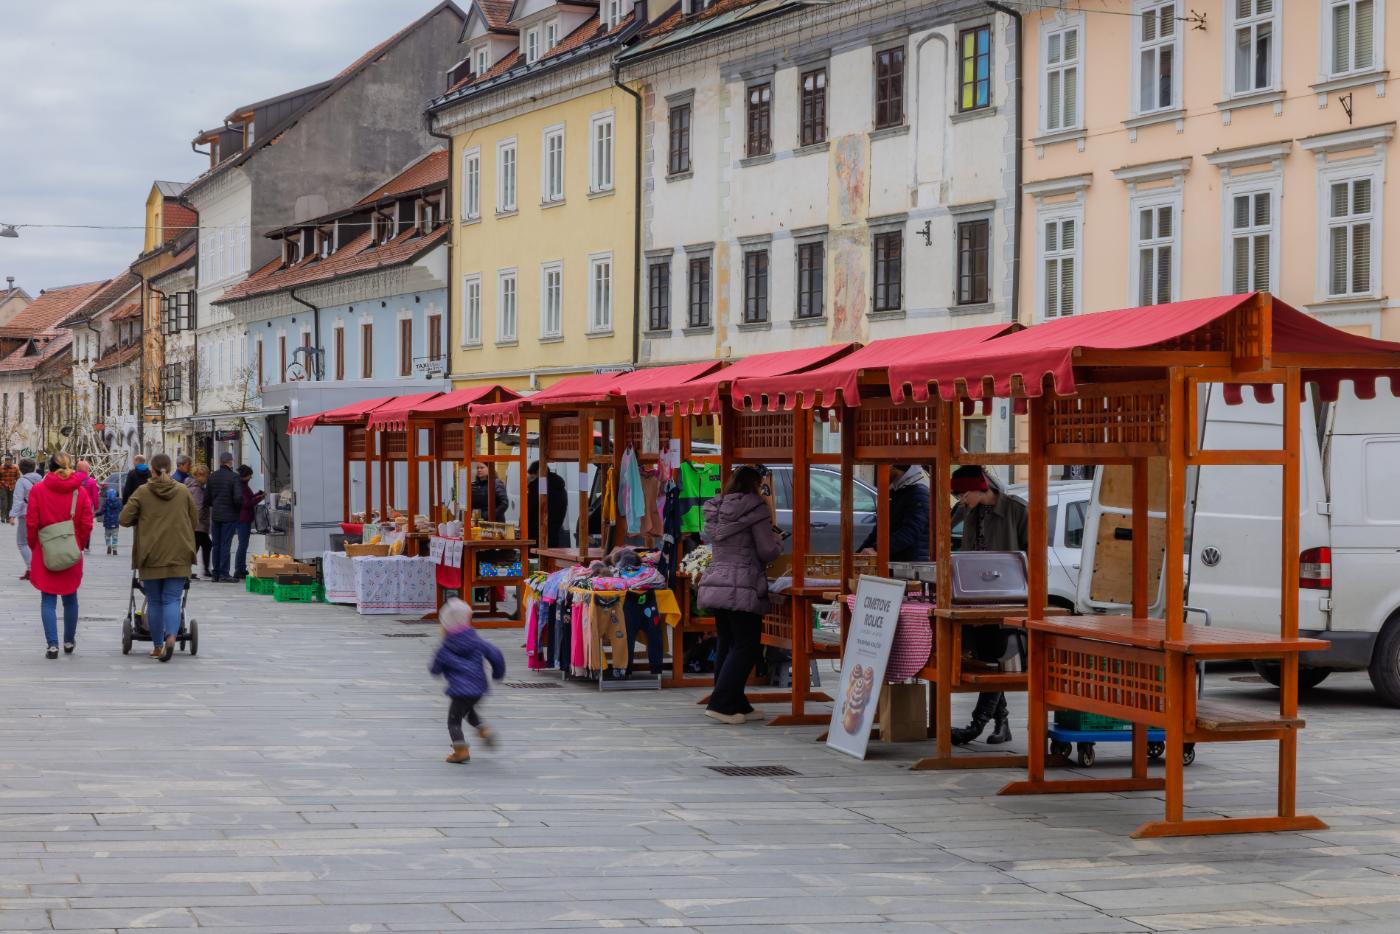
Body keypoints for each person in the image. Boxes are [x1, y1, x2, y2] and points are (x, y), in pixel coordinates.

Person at [949, 465, 1030, 746]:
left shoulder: (1017, 511)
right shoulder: (967, 512)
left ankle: (977, 725)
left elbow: (1033, 555)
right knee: (988, 661)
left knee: (997, 659)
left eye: (963, 494)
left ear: (979, 487)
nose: (961, 500)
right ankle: (1001, 722)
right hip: (976, 598)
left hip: (1008, 599)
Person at [696, 466, 783, 725]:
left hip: (717, 581)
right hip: (742, 584)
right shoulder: (755, 508)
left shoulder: (715, 508)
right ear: (756, 485)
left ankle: (736, 703)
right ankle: (721, 702)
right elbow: (767, 551)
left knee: (727, 642)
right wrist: (779, 542)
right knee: (747, 645)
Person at [120, 453, 198, 662]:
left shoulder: (143, 492)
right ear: (170, 468)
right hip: (179, 553)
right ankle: (171, 636)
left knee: (154, 600)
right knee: (173, 598)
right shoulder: (182, 491)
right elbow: (194, 518)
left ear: (151, 470)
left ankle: (157, 646)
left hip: (151, 553)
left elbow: (124, 518)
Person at [26, 453, 94, 659]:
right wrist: (78, 545)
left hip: (45, 549)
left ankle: (52, 645)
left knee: (47, 598)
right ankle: (69, 641)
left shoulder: (38, 490)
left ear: (49, 467)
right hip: (71, 549)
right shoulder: (79, 492)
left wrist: (34, 545)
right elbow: (87, 523)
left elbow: (31, 522)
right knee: (70, 597)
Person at [429, 598, 505, 764]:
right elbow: (495, 654)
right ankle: (484, 731)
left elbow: (435, 669)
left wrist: (437, 669)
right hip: (478, 688)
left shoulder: (445, 647)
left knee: (453, 721)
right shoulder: (478, 642)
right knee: (469, 712)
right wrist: (498, 673)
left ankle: (461, 751)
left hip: (459, 690)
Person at [858, 464, 931, 562]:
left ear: (892, 466)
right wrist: (859, 553)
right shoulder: (895, 490)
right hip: (896, 561)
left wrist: (877, 549)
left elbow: (910, 531)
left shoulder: (918, 492)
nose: (880, 473)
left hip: (909, 564)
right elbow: (880, 530)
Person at [206, 452, 242, 583]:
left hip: (216, 516)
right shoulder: (234, 477)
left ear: (220, 462)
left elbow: (207, 498)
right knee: (225, 544)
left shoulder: (212, 477)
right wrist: (237, 509)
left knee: (216, 544)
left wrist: (215, 505)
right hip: (230, 516)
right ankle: (224, 573)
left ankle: (215, 573)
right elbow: (238, 498)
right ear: (230, 462)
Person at [10, 458, 42, 580]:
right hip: (39, 514)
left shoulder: (21, 482)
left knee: (22, 542)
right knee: (36, 542)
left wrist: (12, 515)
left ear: (21, 469)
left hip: (25, 514)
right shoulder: (41, 480)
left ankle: (31, 568)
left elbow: (18, 500)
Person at [526, 460, 569, 549]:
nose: (531, 477)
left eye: (532, 475)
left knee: (537, 561)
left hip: (537, 535)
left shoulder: (538, 486)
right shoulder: (559, 487)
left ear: (538, 472)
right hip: (555, 533)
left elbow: (530, 509)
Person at [234, 465, 263, 579]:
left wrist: (257, 494)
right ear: (245, 476)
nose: (251, 477)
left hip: (244, 518)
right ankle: (238, 569)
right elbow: (246, 503)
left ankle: (241, 568)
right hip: (243, 519)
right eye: (250, 475)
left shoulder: (244, 485)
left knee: (244, 545)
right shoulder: (241, 487)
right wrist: (259, 498)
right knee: (242, 545)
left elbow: (249, 498)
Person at [186, 465, 212, 579]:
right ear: (199, 476)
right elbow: (198, 508)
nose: (207, 478)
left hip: (197, 524)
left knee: (205, 545)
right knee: (196, 547)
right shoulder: (197, 489)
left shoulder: (193, 486)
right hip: (198, 524)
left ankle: (204, 569)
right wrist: (198, 521)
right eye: (206, 476)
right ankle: (187, 570)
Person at [100, 486, 122, 555]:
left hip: (107, 522)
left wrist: (96, 514)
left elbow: (102, 511)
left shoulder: (106, 502)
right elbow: (121, 509)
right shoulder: (118, 502)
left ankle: (109, 546)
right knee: (115, 536)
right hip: (115, 522)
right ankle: (114, 549)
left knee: (107, 536)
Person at [0, 455, 19, 523]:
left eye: (9, 460)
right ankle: (3, 517)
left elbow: (18, 478)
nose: (8, 461)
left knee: (10, 503)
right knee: (4, 502)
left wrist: (17, 487)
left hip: (12, 487)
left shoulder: (15, 468)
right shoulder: (1, 468)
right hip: (3, 487)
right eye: (7, 460)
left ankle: (8, 517)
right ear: (5, 461)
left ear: (11, 461)